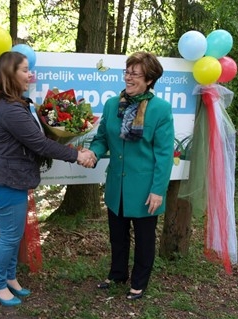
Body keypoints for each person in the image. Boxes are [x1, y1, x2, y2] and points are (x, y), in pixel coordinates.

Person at [0, 51, 95, 307]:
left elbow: (36, 138)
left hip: (11, 179)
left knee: (14, 233)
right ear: (10, 74)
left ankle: (9, 278)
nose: (29, 74)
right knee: (10, 236)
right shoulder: (11, 109)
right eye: (23, 70)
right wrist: (77, 155)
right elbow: (40, 144)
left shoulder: (15, 103)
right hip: (4, 180)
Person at [88, 51, 174, 300]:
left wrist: (158, 189)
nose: (128, 77)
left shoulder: (160, 109)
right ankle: (117, 274)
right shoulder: (112, 104)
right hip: (117, 184)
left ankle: (139, 281)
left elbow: (164, 153)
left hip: (146, 187)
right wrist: (93, 153)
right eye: (127, 72)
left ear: (149, 79)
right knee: (117, 235)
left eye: (135, 74)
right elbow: (102, 137)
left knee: (145, 239)